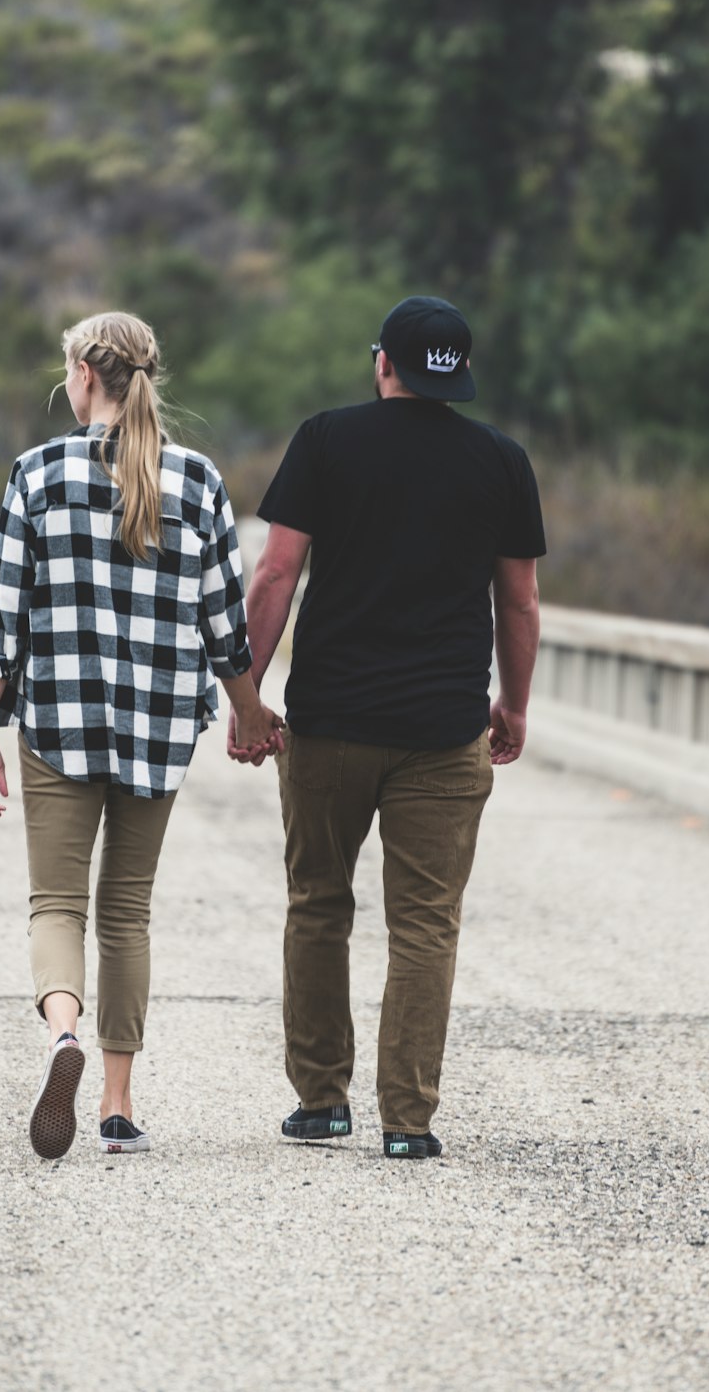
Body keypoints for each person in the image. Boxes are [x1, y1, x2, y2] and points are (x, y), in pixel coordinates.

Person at [0, 311, 283, 1160]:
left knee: (55, 903)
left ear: (85, 377)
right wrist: (248, 712)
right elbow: (223, 627)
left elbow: (2, 620)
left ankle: (61, 1035)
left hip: (59, 718)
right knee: (126, 911)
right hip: (158, 724)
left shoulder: (38, 473)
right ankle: (116, 1103)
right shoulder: (198, 481)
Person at [229, 295, 545, 1159]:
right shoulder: (502, 461)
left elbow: (276, 575)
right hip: (445, 732)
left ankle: (322, 1102)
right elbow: (516, 599)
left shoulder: (326, 439)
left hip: (330, 724)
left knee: (318, 907)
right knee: (426, 924)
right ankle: (408, 1122)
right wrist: (512, 706)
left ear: (383, 364)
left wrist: (249, 695)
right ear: (459, 375)